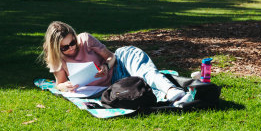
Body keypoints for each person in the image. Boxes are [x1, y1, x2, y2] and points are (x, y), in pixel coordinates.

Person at [40, 21, 192, 106]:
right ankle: (175, 99)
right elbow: (59, 83)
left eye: (72, 42)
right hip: (113, 85)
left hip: (120, 64)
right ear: (56, 48)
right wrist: (64, 86)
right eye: (65, 47)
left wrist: (106, 67)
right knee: (139, 87)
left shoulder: (85, 39)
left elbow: (111, 57)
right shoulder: (56, 57)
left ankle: (173, 91)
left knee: (145, 73)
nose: (72, 47)